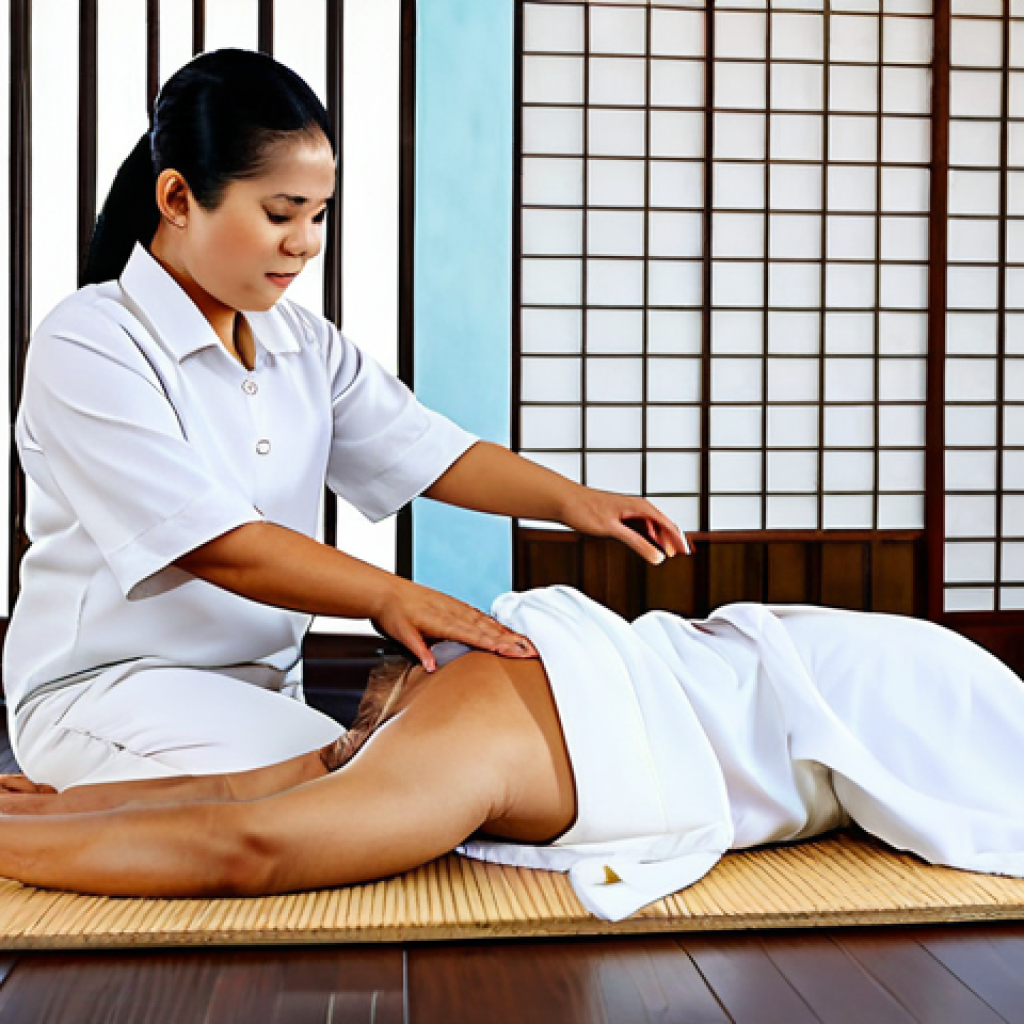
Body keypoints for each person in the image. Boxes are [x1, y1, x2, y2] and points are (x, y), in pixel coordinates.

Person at [3, 49, 686, 793]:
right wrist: (394, 594)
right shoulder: (89, 340)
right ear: (176, 199)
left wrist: (573, 502)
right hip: (107, 690)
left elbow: (430, 451)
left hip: (258, 694)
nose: (306, 243)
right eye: (279, 213)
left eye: (318, 213)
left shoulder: (303, 343)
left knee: (413, 777)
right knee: (380, 789)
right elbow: (214, 544)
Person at [0, 585, 1022, 922]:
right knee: (258, 845)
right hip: (566, 716)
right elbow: (954, 816)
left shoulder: (937, 660)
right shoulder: (980, 697)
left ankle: (31, 809)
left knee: (298, 781)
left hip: (561, 664)